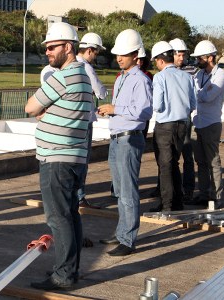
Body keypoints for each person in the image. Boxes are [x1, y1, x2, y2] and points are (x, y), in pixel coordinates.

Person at [24, 22, 92, 291]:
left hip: (57, 159)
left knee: (58, 218)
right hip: (73, 157)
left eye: (52, 47)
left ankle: (63, 275)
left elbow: (31, 107)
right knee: (70, 215)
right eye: (47, 48)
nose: (48, 52)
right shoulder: (84, 76)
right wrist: (49, 112)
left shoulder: (62, 77)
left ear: (68, 47)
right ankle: (70, 271)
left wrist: (45, 112)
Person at [97, 29, 152, 256]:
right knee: (119, 191)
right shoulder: (122, 79)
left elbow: (145, 111)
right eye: (118, 54)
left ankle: (128, 240)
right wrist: (110, 112)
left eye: (124, 54)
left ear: (135, 55)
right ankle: (121, 233)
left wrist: (115, 109)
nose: (119, 58)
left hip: (129, 139)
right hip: (117, 138)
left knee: (128, 191)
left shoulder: (140, 80)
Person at [148, 41, 196, 212]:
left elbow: (158, 105)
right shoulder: (187, 77)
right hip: (182, 125)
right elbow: (192, 103)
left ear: (160, 61)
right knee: (174, 163)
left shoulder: (160, 77)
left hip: (165, 126)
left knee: (165, 165)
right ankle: (177, 202)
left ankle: (167, 205)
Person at [186, 40, 224, 209]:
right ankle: (204, 194)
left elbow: (209, 97)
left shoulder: (221, 74)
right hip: (197, 122)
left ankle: (217, 197)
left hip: (211, 123)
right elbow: (195, 94)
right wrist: (201, 92)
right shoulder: (199, 75)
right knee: (201, 162)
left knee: (213, 161)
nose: (197, 61)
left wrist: (199, 93)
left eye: (200, 58)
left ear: (210, 58)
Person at [76, 32, 107, 209]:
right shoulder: (86, 67)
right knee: (82, 160)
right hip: (85, 120)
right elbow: (101, 92)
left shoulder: (70, 65)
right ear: (89, 50)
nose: (96, 56)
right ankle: (80, 197)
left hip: (72, 119)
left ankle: (74, 196)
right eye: (96, 53)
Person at [169, 38, 196, 202]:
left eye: (183, 55)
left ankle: (188, 189)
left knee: (187, 155)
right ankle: (170, 188)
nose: (181, 58)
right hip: (169, 119)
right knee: (170, 156)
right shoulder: (165, 71)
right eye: (178, 55)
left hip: (184, 118)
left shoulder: (191, 71)